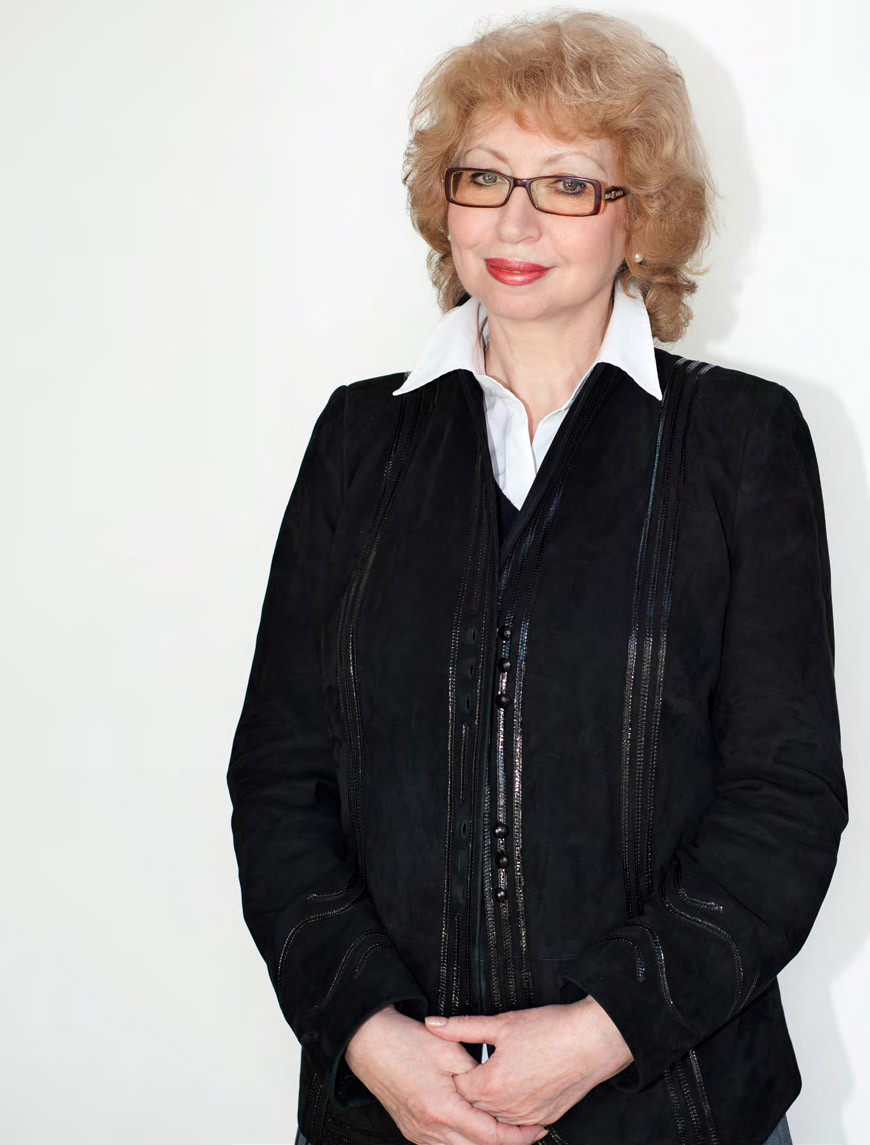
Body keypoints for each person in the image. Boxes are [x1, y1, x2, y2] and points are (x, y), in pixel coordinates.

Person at [226, 11, 847, 1145]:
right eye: (483, 177)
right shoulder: (358, 440)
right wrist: (370, 1036)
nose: (515, 221)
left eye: (566, 184)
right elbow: (279, 782)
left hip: (674, 1107)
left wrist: (602, 1033)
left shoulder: (740, 441)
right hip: (395, 1108)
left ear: (638, 217)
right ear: (445, 201)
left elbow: (785, 798)